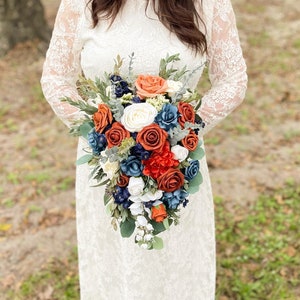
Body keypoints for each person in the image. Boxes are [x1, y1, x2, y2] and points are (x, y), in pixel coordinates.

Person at [41, 0, 247, 299]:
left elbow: (233, 81)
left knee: (176, 267)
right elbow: (56, 78)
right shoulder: (81, 3)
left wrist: (178, 132)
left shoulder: (209, 4)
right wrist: (104, 134)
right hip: (108, 167)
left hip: (176, 165)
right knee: (114, 270)